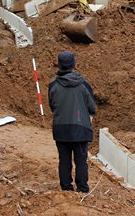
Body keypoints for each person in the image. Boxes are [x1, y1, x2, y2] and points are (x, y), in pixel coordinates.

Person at [48, 51, 96, 193]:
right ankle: (82, 189)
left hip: (61, 129)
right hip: (80, 129)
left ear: (59, 64)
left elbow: (52, 105)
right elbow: (92, 107)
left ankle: (66, 189)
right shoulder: (83, 84)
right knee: (81, 161)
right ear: (74, 64)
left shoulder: (53, 85)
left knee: (64, 160)